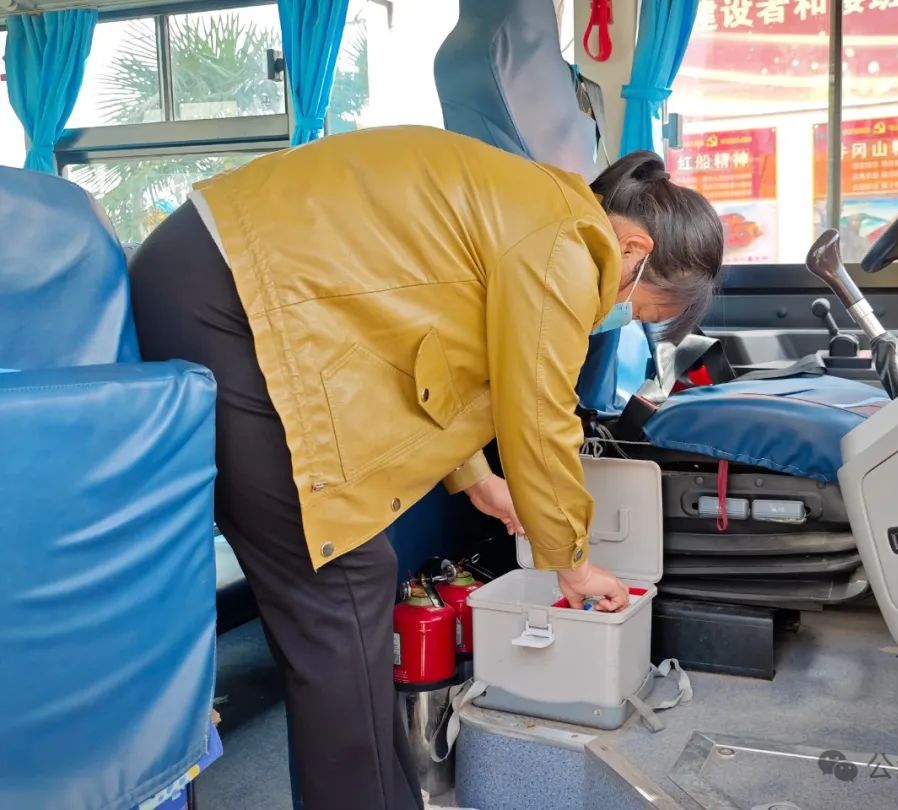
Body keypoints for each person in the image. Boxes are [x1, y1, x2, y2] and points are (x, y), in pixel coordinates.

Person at [127, 125, 724, 810]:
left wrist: (475, 479)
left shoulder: (539, 213)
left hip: (234, 289)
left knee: (357, 583)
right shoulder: (569, 241)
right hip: (227, 296)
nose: (618, 312)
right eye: (637, 304)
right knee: (338, 595)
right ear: (636, 250)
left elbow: (437, 353)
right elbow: (539, 411)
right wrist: (574, 561)